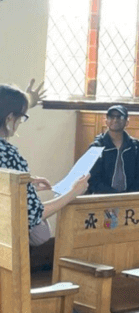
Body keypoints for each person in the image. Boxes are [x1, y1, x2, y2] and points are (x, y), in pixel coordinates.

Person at [0, 83, 89, 247]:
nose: (20, 123)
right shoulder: (9, 155)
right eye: (21, 118)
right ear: (9, 119)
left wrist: (24, 188)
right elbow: (32, 215)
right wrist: (73, 192)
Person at [87, 105, 139, 193]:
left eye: (119, 117)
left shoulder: (136, 146)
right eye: (111, 117)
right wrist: (112, 195)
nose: (115, 120)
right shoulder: (96, 146)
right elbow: (92, 179)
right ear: (106, 121)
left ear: (127, 122)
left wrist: (128, 195)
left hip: (130, 197)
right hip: (103, 198)